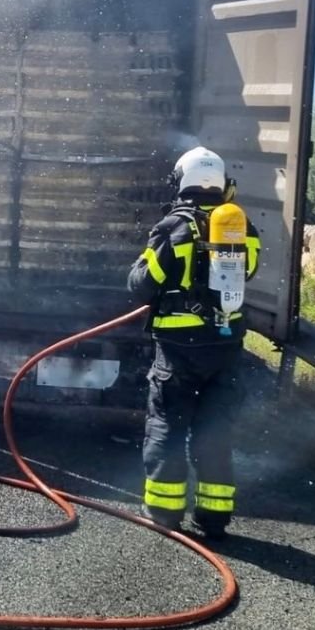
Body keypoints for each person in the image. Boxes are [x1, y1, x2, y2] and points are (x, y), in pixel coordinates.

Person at [127, 146, 261, 537]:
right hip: (226, 346)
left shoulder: (175, 227)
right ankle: (214, 515)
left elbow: (141, 285)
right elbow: (247, 273)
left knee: (168, 423)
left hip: (178, 349)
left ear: (181, 180)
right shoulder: (241, 228)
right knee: (216, 428)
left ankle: (165, 513)